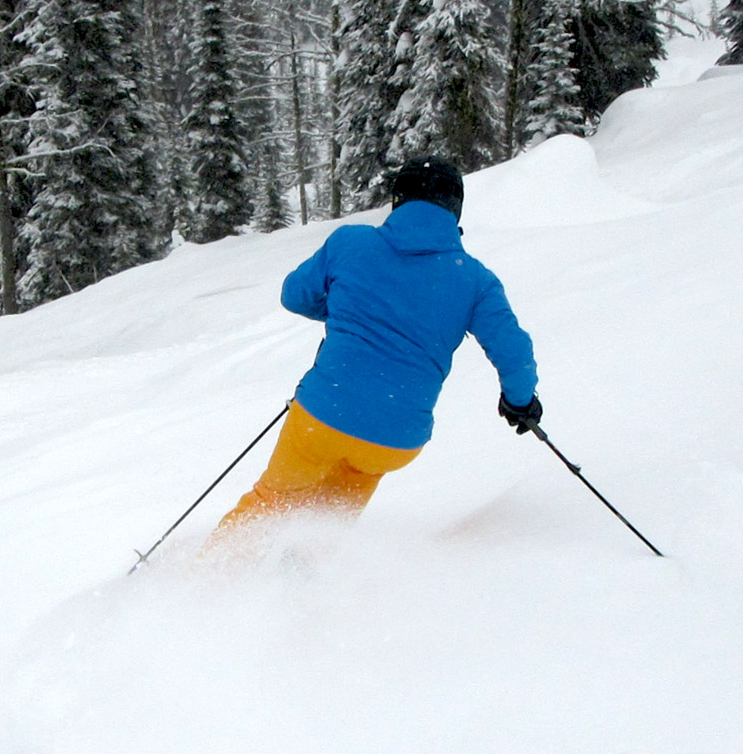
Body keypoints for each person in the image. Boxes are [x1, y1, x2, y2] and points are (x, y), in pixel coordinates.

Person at [205, 157, 542, 549]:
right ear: (454, 209)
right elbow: (514, 351)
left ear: (398, 199)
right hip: (395, 439)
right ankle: (298, 590)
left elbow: (294, 294)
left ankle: (204, 583)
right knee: (327, 522)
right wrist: (521, 401)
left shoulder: (351, 242)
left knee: (273, 500)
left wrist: (349, 312)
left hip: (323, 416)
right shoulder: (475, 280)